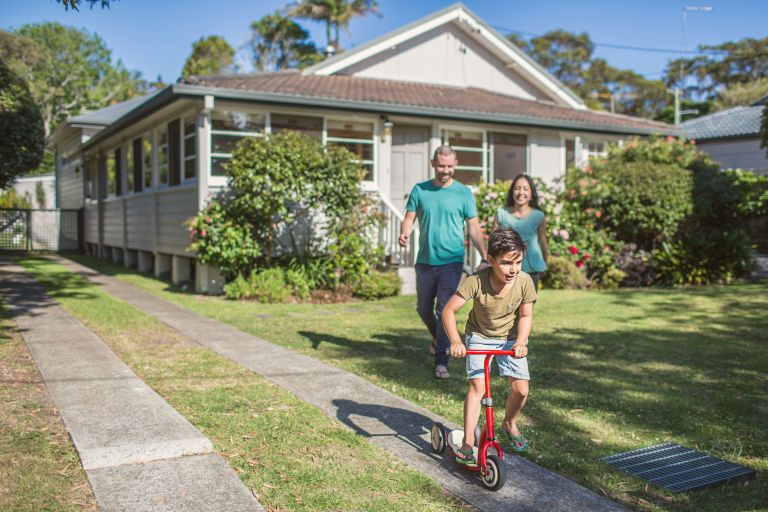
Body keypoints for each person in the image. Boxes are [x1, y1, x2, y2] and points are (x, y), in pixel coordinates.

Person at [442, 227, 536, 464]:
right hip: (480, 335)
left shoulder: (524, 282)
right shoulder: (476, 281)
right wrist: (456, 341)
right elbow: (448, 311)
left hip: (511, 339)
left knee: (521, 390)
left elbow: (525, 316)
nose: (513, 270)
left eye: (518, 263)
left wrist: (522, 342)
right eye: (506, 263)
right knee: (478, 388)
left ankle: (509, 422)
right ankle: (467, 443)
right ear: (491, 260)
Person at [399, 145, 488, 380]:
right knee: (423, 308)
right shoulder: (420, 190)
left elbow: (475, 228)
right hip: (425, 261)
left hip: (452, 261)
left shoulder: (463, 193)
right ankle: (440, 338)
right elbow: (409, 218)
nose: (445, 170)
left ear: (455, 164)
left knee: (444, 308)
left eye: (449, 166)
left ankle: (441, 361)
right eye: (441, 166)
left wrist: (486, 256)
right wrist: (404, 233)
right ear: (433, 163)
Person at [495, 174, 548, 291]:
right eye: (517, 188)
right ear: (512, 192)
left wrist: (545, 264)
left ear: (531, 194)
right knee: (507, 306)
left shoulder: (538, 216)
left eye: (525, 189)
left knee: (527, 307)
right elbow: (493, 242)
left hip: (532, 269)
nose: (521, 192)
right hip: (506, 268)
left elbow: (542, 242)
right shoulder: (501, 214)